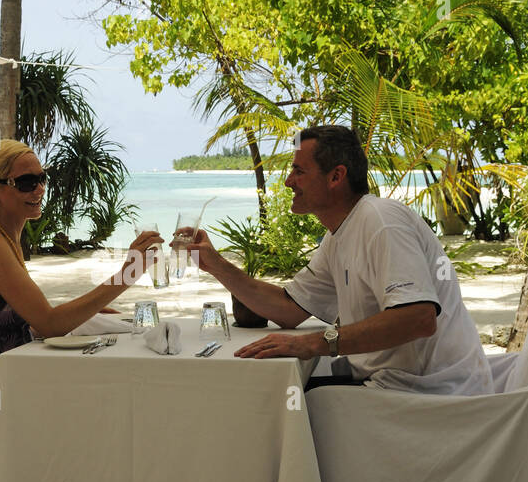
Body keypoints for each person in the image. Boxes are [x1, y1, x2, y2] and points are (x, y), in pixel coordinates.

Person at [175, 125, 492, 396]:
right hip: (390, 383)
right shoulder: (341, 234)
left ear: (336, 176)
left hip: (429, 393)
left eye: (299, 171)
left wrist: (317, 343)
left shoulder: (381, 221)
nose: (288, 182)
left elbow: (418, 318)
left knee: (269, 404)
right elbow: (288, 309)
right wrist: (214, 264)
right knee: (268, 398)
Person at [0, 139, 163, 408]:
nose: (39, 189)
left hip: (2, 384)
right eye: (26, 182)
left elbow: (15, 321)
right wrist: (127, 275)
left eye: (42, 178)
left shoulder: (5, 237)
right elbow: (50, 323)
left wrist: (85, 315)